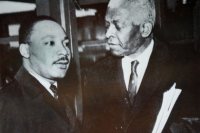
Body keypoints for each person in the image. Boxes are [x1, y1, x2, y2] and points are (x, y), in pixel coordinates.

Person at [82, 0, 199, 132]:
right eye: (107, 25)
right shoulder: (96, 74)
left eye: (118, 26)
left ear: (145, 29)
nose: (108, 34)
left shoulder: (184, 68)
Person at [0, 16, 79, 133]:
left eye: (65, 43)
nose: (64, 51)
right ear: (26, 51)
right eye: (50, 43)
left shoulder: (59, 93)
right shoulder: (10, 103)